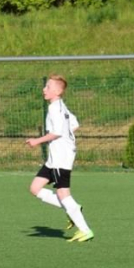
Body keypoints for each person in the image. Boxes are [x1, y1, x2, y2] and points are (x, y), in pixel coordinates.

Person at [26, 75, 94, 242]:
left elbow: (56, 132)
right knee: (35, 188)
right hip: (55, 158)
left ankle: (85, 230)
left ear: (57, 91)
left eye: (48, 87)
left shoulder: (54, 108)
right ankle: (73, 208)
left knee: (63, 193)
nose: (44, 89)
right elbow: (74, 124)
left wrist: (37, 141)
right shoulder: (61, 106)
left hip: (61, 157)